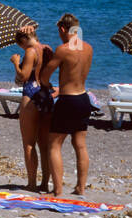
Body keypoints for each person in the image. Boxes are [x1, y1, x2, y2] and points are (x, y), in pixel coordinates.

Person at [39, 13, 93, 195]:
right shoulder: (88, 48)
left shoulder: (63, 49)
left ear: (63, 29)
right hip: (84, 98)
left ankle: (58, 189)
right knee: (80, 145)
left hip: (68, 100)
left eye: (59, 32)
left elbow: (45, 76)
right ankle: (80, 188)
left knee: (54, 144)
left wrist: (48, 86)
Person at [9, 26, 52, 191]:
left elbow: (23, 77)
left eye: (21, 45)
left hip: (31, 95)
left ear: (24, 40)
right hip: (46, 95)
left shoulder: (30, 51)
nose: (22, 48)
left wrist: (15, 64)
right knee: (45, 144)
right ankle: (45, 183)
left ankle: (32, 183)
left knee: (29, 143)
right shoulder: (47, 49)